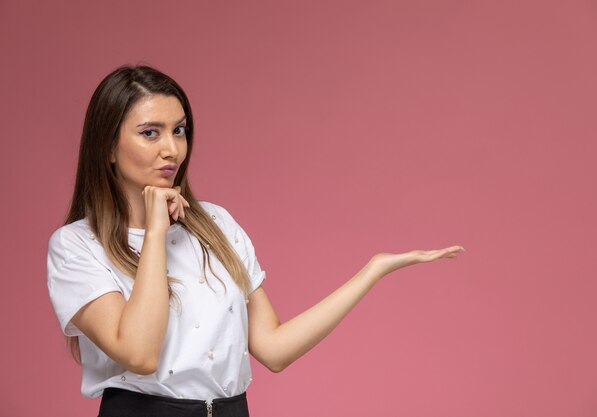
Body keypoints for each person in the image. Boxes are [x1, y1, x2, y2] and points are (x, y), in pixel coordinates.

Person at [46, 64, 465, 417]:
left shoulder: (217, 225)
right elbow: (139, 353)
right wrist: (155, 231)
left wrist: (372, 271)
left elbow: (274, 349)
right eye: (150, 133)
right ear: (108, 149)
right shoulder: (77, 246)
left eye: (180, 130)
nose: (172, 149)